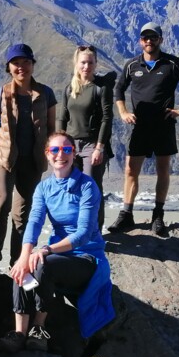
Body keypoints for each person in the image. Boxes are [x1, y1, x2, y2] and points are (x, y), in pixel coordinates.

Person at [0, 133, 114, 353]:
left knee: (43, 266)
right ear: (47, 154)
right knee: (23, 266)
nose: (61, 154)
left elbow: (84, 234)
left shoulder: (87, 186)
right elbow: (34, 221)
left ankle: (38, 329)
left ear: (74, 154)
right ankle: (20, 333)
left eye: (67, 149)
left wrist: (47, 249)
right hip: (60, 253)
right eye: (55, 150)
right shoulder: (44, 188)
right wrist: (23, 256)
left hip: (86, 257)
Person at [110, 22, 179, 236]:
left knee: (163, 170)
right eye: (145, 37)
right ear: (140, 41)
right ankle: (126, 215)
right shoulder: (132, 65)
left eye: (153, 37)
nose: (149, 41)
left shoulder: (172, 63)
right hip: (139, 126)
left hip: (164, 125)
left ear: (160, 39)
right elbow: (118, 88)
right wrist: (123, 112)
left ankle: (158, 215)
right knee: (130, 170)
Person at [0, 43, 57, 271]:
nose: (21, 67)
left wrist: (52, 152)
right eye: (16, 63)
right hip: (4, 160)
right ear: (9, 67)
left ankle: (18, 263)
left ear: (33, 64)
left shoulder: (46, 94)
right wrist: (3, 143)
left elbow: (52, 127)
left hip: (32, 161)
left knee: (22, 214)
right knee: (1, 203)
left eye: (26, 62)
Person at [57, 45, 115, 230]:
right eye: (83, 62)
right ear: (77, 63)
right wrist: (59, 145)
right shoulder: (69, 88)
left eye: (90, 62)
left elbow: (107, 118)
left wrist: (99, 147)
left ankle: (94, 232)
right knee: (71, 187)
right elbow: (62, 117)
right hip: (71, 146)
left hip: (92, 145)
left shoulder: (101, 88)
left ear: (96, 63)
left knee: (92, 188)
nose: (86, 66)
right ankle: (75, 230)